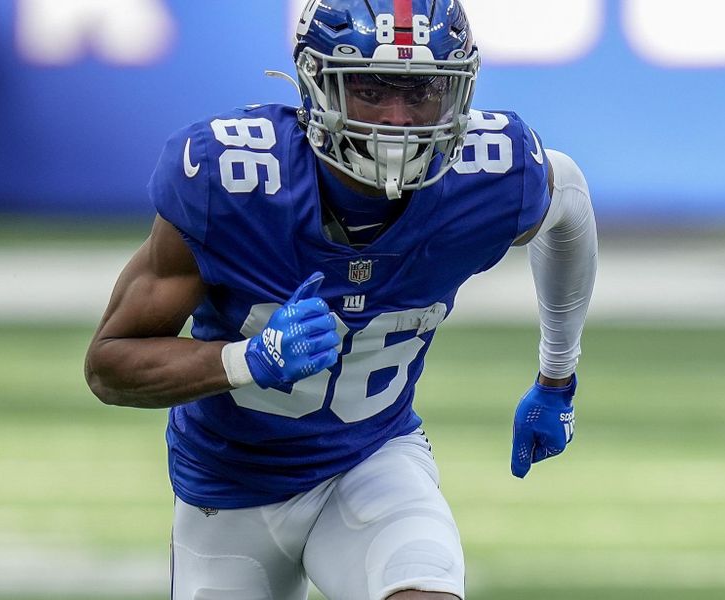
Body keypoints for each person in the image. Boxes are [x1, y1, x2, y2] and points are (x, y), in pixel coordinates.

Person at [85, 0, 597, 598]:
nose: (400, 120)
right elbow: (109, 364)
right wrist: (245, 360)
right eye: (372, 91)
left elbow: (573, 204)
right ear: (315, 85)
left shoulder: (493, 172)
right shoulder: (233, 182)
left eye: (423, 92)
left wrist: (558, 376)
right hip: (230, 487)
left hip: (373, 458)